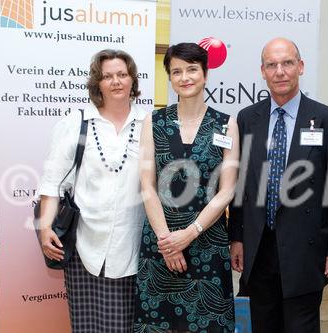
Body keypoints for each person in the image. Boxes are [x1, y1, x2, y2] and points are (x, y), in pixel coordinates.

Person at [228, 37, 328, 333]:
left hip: (305, 249)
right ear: (262, 71)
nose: (280, 71)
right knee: (261, 325)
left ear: (300, 66)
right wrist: (237, 236)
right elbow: (240, 186)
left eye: (287, 63)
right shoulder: (248, 119)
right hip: (258, 249)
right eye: (271, 65)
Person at [38, 49, 147, 332]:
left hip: (133, 248)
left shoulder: (149, 124)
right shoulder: (77, 122)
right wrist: (45, 226)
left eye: (122, 74)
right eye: (107, 76)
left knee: (129, 326)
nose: (116, 82)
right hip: (84, 245)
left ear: (133, 80)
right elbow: (52, 181)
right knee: (87, 327)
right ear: (97, 83)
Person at [134, 42, 239, 333]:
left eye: (192, 69)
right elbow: (147, 184)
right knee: (158, 325)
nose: (185, 77)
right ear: (169, 77)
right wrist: (168, 241)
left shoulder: (226, 124)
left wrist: (190, 234)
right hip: (161, 242)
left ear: (205, 74)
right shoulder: (153, 122)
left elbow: (227, 190)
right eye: (176, 71)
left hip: (208, 242)